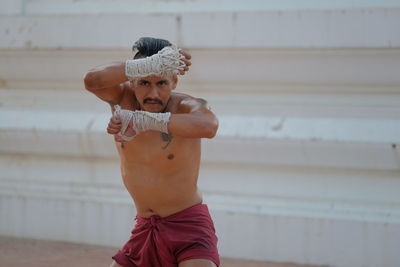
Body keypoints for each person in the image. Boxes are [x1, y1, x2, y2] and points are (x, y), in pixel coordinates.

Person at [83, 37, 220, 267]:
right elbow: (91, 80)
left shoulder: (185, 106)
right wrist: (148, 65)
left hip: (188, 225)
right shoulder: (122, 99)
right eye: (144, 82)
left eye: (162, 83)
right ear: (131, 81)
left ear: (174, 81)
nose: (153, 94)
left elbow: (208, 126)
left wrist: (142, 120)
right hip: (145, 226)